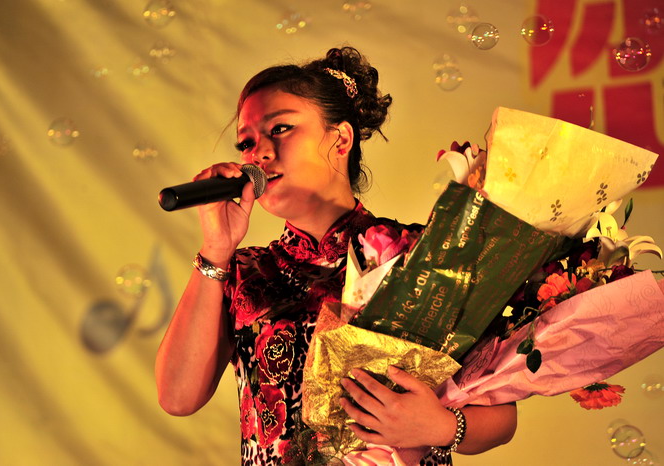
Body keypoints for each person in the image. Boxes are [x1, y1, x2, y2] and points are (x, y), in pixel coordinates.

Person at [155, 46, 517, 465]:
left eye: (280, 129)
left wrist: (438, 426)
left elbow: (502, 417)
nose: (259, 153)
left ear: (341, 138)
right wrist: (216, 249)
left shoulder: (421, 254)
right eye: (246, 143)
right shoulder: (243, 271)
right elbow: (177, 398)